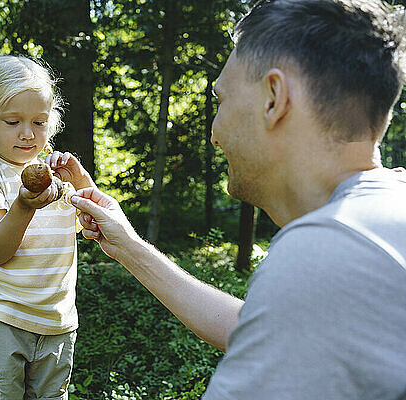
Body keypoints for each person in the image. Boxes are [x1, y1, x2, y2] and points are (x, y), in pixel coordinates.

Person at [70, 0, 406, 398]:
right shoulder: (379, 219)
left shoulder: (328, 251)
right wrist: (127, 247)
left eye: (220, 101)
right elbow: (261, 325)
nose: (214, 134)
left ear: (273, 98)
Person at [0, 55, 94, 400]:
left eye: (39, 123)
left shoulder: (57, 179)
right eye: (13, 121)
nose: (27, 134)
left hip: (57, 323)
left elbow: (93, 224)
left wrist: (82, 180)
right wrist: (24, 206)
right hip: (3, 319)